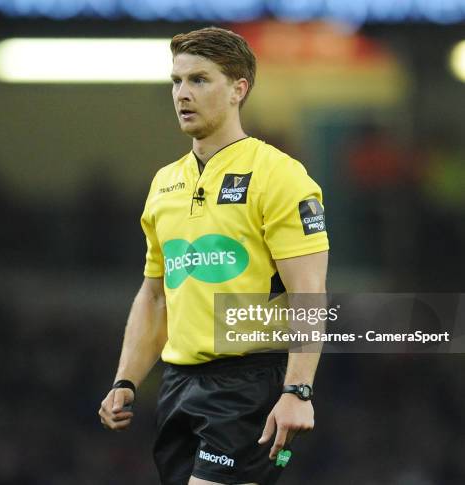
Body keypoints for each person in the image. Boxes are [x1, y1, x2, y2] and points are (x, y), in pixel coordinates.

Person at [98, 26, 329, 485]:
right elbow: (156, 295)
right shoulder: (164, 183)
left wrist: (298, 390)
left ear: (238, 90)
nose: (182, 94)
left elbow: (309, 292)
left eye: (199, 80)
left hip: (250, 382)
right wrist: (126, 380)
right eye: (176, 81)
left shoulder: (280, 176)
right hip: (178, 385)